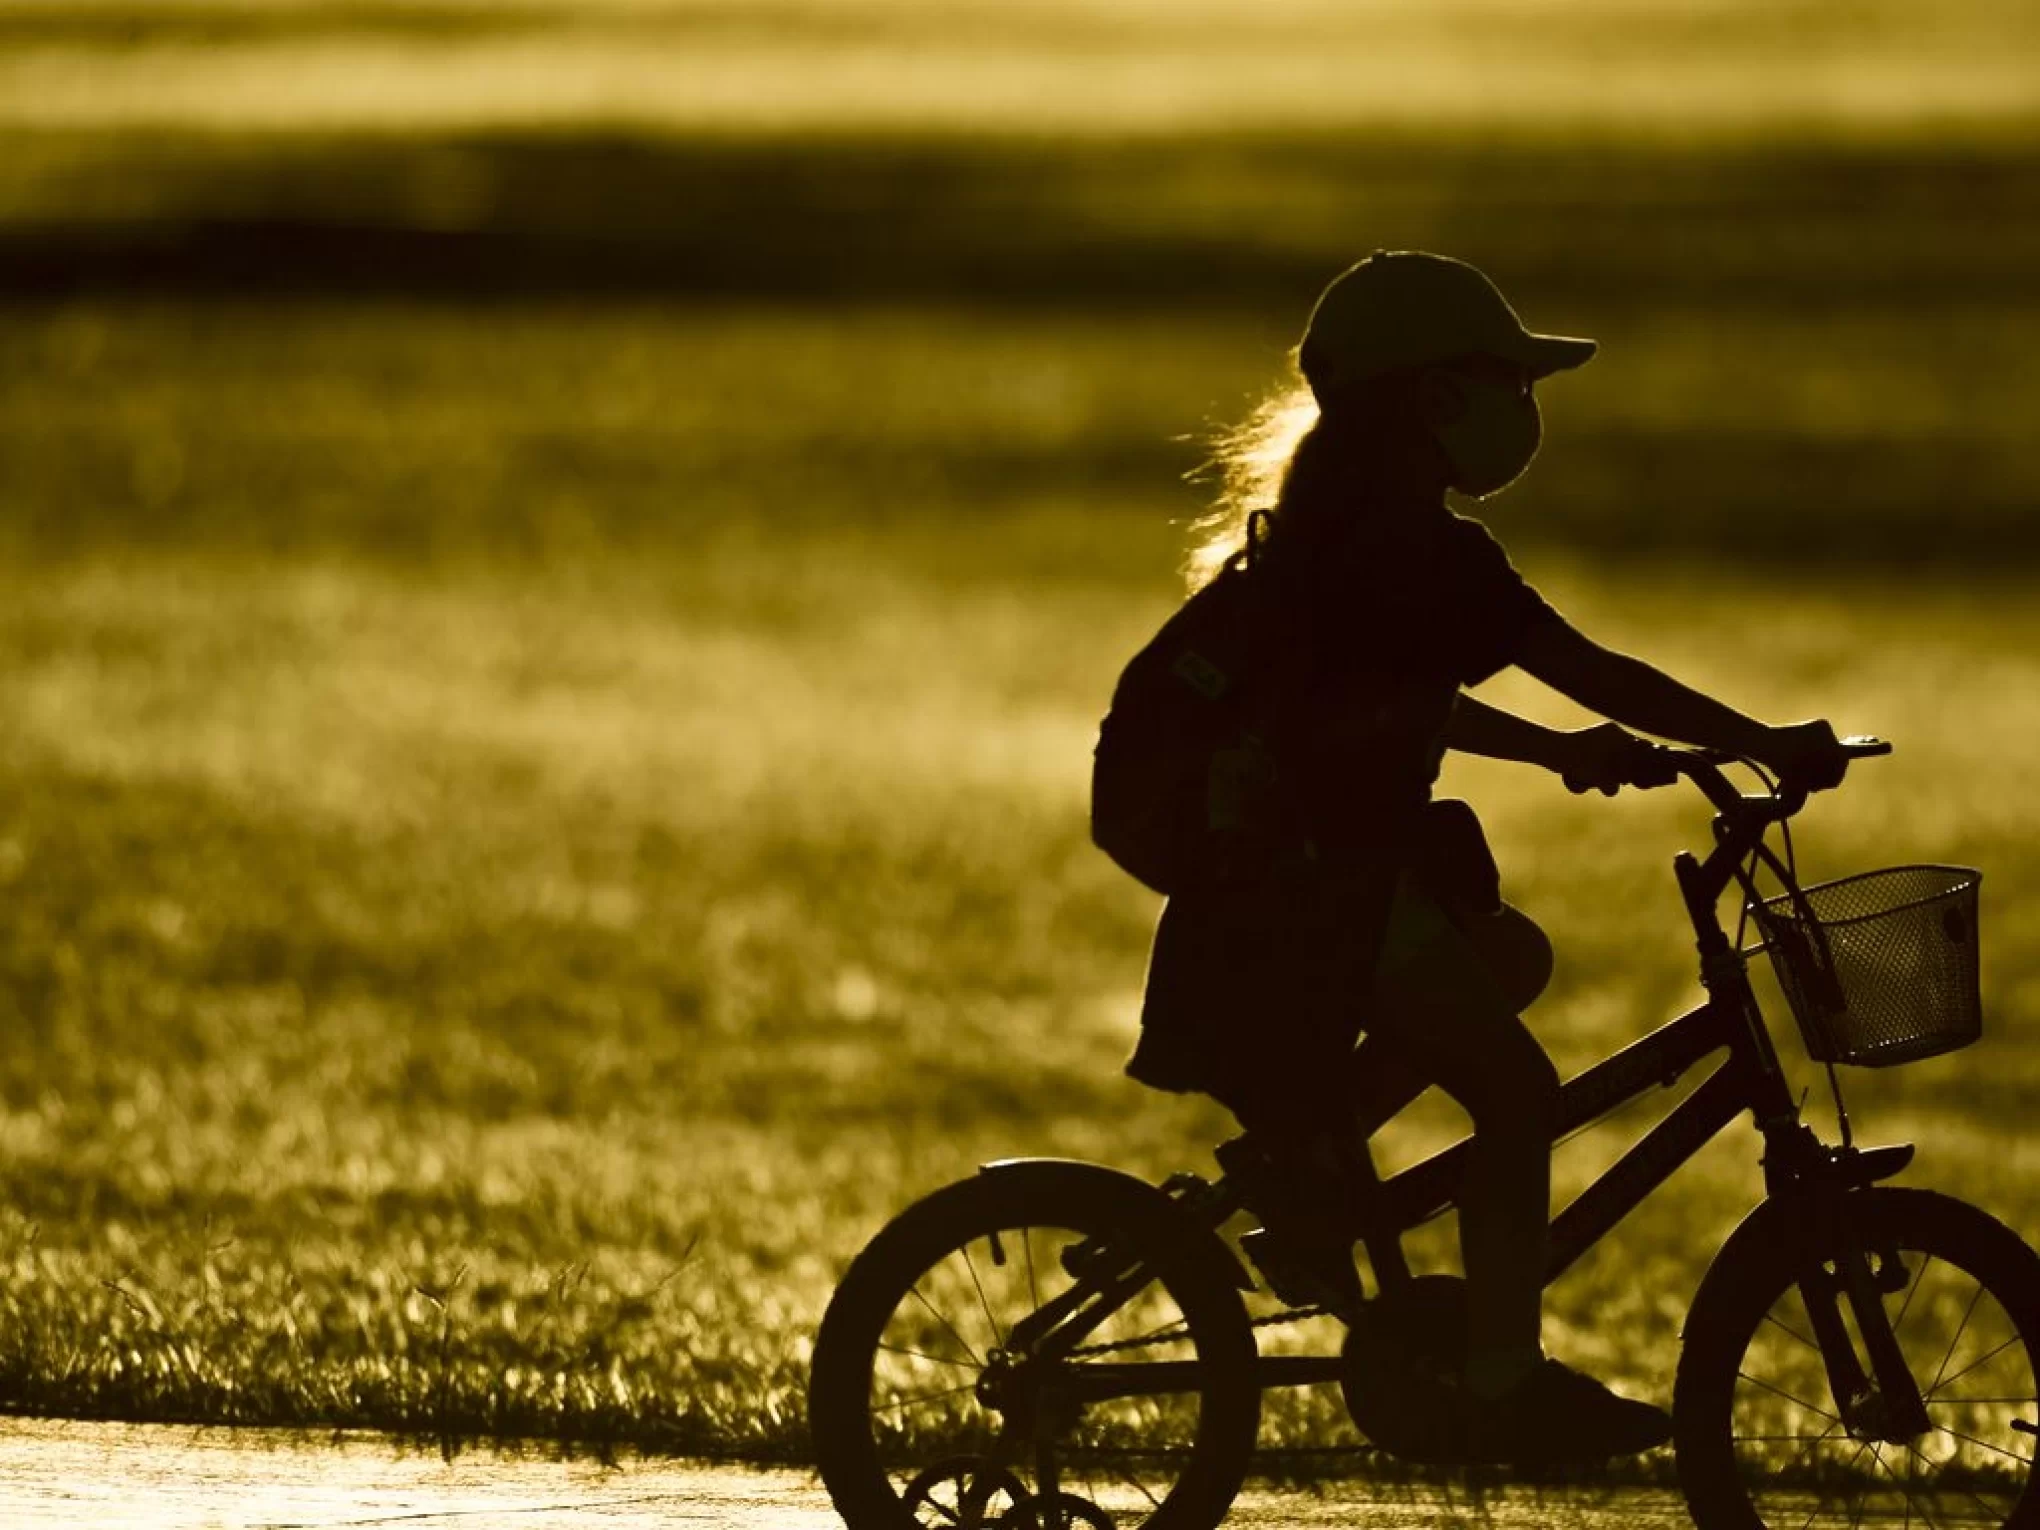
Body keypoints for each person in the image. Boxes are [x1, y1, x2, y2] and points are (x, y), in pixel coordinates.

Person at [1107, 250, 1852, 1462]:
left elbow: (1398, 700)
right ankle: (1504, 1378)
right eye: (1510, 381)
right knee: (1517, 1094)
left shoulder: (1343, 541)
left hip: (1310, 882)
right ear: (1434, 401)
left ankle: (1308, 1168)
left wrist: (1560, 752)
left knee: (1507, 954)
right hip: (1309, 890)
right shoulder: (1413, 552)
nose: (1527, 409)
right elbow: (1591, 668)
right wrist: (1759, 738)